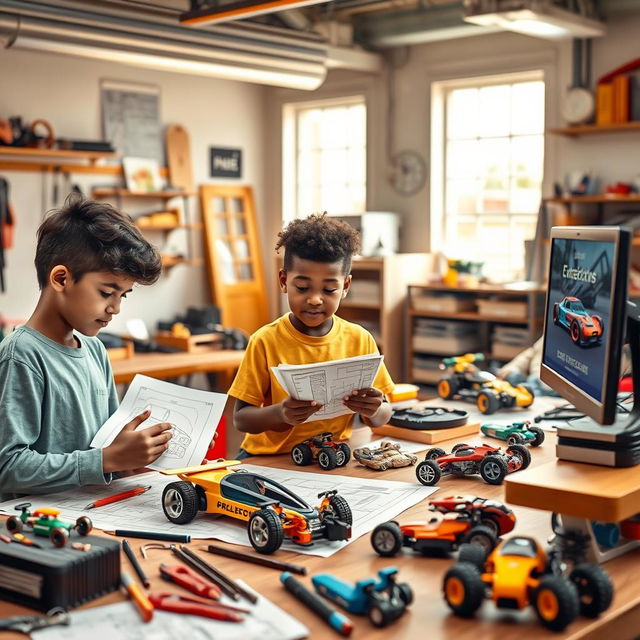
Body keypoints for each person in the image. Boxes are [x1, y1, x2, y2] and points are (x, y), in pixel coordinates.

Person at [0, 196, 173, 501]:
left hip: (96, 512)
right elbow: (8, 466)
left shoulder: (94, 350)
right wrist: (107, 459)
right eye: (107, 292)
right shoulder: (22, 356)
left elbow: (108, 449)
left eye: (124, 295)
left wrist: (150, 448)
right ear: (61, 278)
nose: (115, 308)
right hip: (36, 526)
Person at [229, 213, 394, 458]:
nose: (315, 299)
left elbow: (383, 414)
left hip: (331, 456)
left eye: (329, 289)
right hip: (267, 458)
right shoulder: (265, 340)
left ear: (345, 287)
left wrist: (374, 410)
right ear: (284, 281)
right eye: (303, 287)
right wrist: (281, 414)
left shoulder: (359, 339)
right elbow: (241, 419)